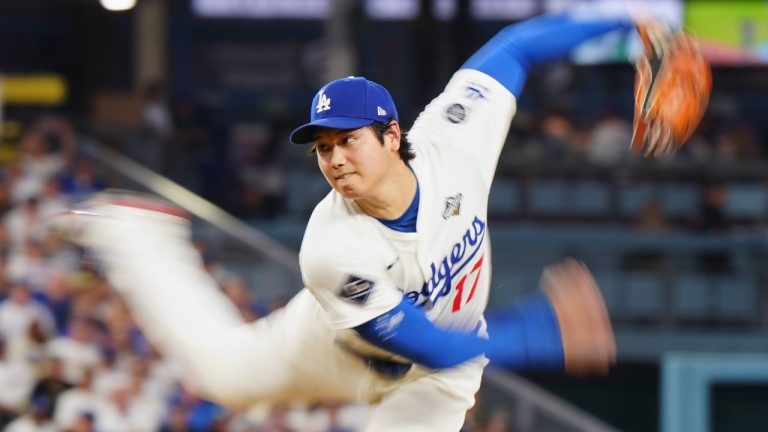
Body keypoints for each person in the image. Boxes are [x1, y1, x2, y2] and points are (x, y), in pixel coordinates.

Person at [57, 9, 672, 432]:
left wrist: (626, 19)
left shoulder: (452, 141)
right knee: (220, 372)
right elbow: (418, 341)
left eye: (348, 141)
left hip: (438, 376)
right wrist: (526, 340)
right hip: (340, 346)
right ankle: (137, 236)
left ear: (392, 134)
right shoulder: (331, 248)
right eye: (323, 148)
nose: (335, 159)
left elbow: (515, 46)